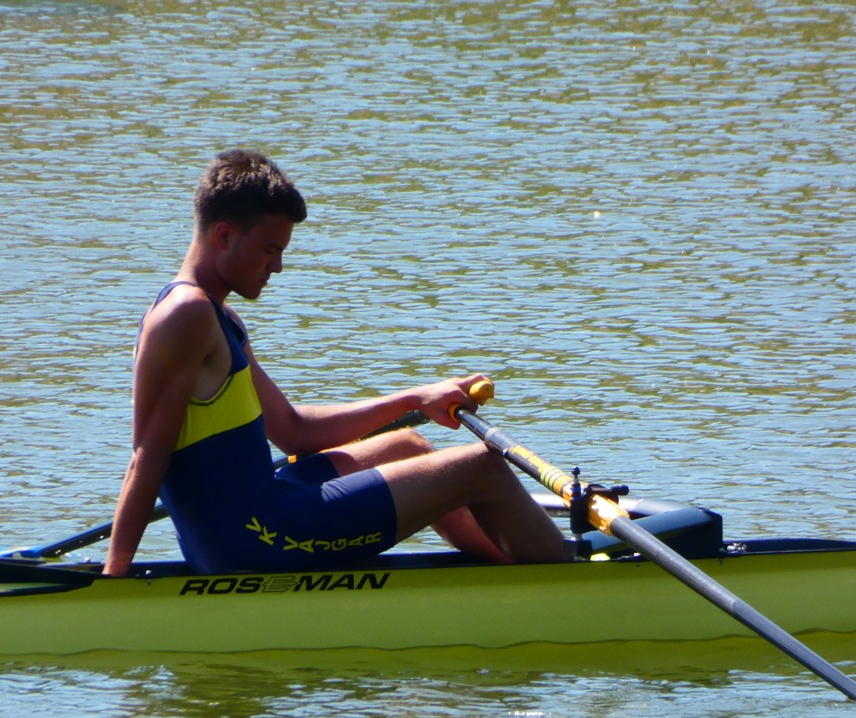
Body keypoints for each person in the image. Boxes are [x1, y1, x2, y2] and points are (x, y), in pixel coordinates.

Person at [104, 149, 570, 576]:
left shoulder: (218, 316)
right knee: (482, 466)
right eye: (270, 250)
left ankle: (504, 567)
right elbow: (148, 455)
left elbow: (293, 431)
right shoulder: (186, 316)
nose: (277, 267)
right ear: (224, 235)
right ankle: (568, 581)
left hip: (260, 508)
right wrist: (113, 579)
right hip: (255, 540)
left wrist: (416, 398)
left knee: (406, 445)